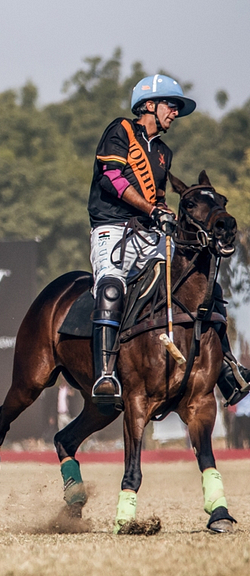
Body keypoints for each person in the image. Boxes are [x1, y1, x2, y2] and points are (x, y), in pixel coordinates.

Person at [87, 75, 249, 410]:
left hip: (150, 234)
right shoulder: (120, 131)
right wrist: (151, 208)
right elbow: (111, 179)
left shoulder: (163, 152)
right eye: (170, 105)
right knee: (111, 287)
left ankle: (227, 371)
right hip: (113, 230)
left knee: (203, 286)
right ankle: (105, 373)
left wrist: (164, 215)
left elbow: (159, 196)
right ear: (149, 105)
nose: (174, 113)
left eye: (177, 107)